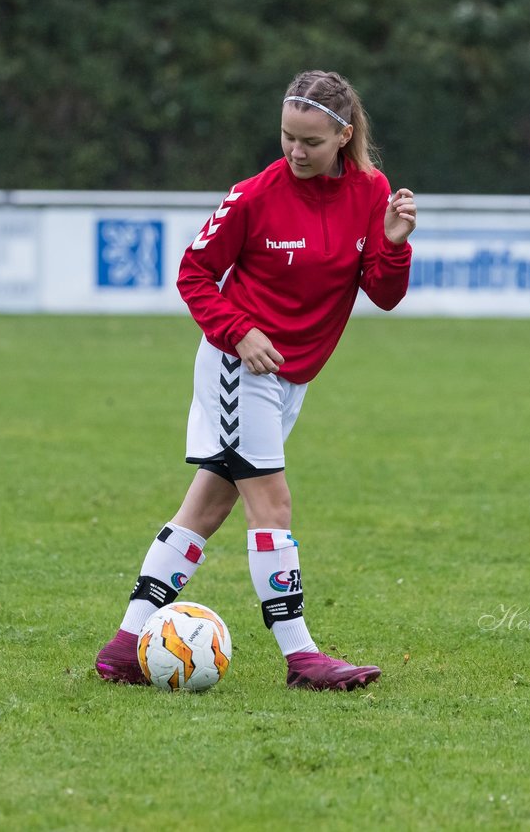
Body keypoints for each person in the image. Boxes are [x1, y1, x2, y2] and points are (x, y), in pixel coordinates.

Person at [95, 70, 418, 691]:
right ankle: (302, 657)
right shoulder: (253, 196)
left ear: (343, 136)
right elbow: (193, 274)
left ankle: (124, 646)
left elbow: (383, 292)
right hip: (238, 367)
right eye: (286, 137)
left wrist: (396, 243)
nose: (295, 152)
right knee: (273, 505)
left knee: (205, 510)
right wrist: (239, 331)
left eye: (311, 142)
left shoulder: (372, 191)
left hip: (290, 379)